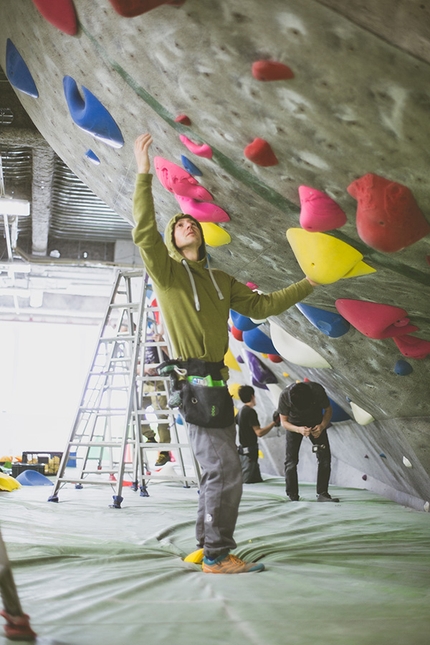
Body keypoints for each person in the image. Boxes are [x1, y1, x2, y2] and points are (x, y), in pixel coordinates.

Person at [132, 132, 318, 574]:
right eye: (178, 225)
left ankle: (205, 545)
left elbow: (264, 305)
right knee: (225, 471)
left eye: (191, 223)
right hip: (192, 384)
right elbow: (143, 232)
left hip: (217, 385)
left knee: (219, 470)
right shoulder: (169, 275)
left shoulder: (222, 281)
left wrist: (311, 282)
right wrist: (143, 173)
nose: (187, 226)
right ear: (172, 240)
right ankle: (216, 554)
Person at [278, 381, 339, 503]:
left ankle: (322, 493)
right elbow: (283, 422)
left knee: (324, 458)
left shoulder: (317, 390)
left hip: (316, 424)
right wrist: (298, 429)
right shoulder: (285, 396)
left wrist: (322, 426)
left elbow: (328, 410)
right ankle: (292, 494)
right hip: (294, 426)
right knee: (291, 461)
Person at [236, 385, 279, 483]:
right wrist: (273, 423)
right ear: (252, 396)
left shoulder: (240, 412)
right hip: (249, 454)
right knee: (247, 481)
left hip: (246, 452)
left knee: (256, 481)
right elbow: (259, 433)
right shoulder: (250, 412)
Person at [141, 327, 171, 466]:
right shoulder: (139, 341)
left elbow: (174, 357)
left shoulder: (166, 335)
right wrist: (145, 368)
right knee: (135, 408)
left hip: (161, 380)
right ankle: (149, 436)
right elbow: (134, 365)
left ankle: (164, 451)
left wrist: (163, 343)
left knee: (161, 414)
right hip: (146, 380)